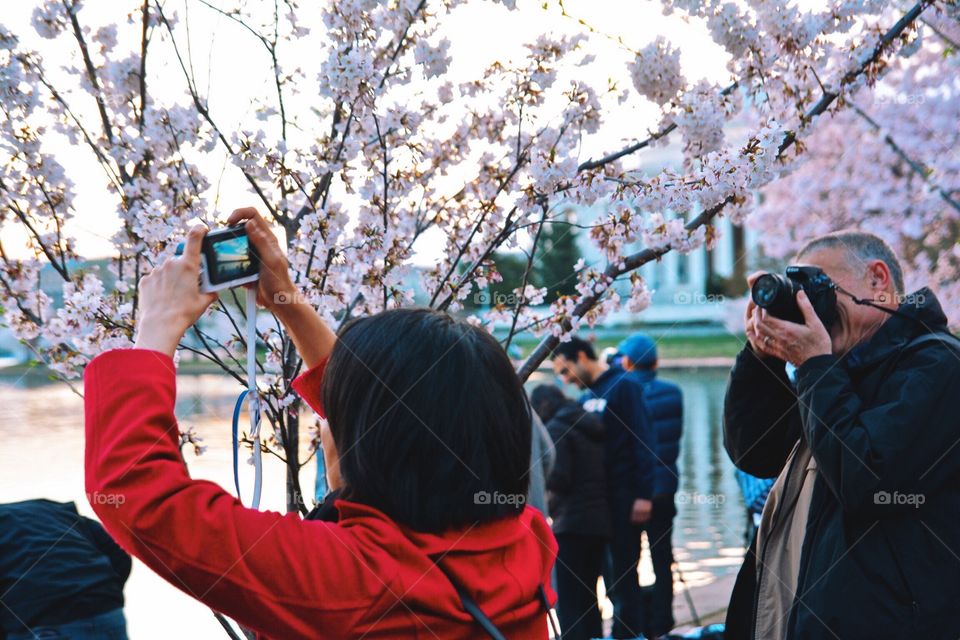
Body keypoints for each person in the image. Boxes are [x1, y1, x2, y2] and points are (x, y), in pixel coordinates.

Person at [83, 208, 557, 639]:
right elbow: (394, 409)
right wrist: (286, 301)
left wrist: (155, 331)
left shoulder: (349, 579)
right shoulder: (526, 539)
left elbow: (142, 498)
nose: (327, 419)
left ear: (377, 447)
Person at [723, 230, 960, 639]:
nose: (813, 306)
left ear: (877, 280)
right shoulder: (836, 372)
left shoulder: (938, 365)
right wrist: (761, 358)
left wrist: (815, 365)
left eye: (820, 289)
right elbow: (754, 453)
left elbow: (865, 478)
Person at [551, 337, 657, 639]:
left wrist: (643, 494)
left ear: (582, 357)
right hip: (596, 506)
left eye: (565, 370)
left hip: (626, 497)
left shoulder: (625, 386)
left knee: (624, 578)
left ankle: (629, 635)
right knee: (599, 580)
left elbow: (644, 439)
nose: (565, 379)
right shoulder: (585, 398)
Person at [530, 384, 610, 640]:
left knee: (568, 600)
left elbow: (559, 478)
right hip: (599, 522)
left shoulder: (556, 428)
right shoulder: (590, 424)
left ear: (543, 405)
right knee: (589, 596)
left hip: (571, 523)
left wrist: (544, 507)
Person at [618, 333, 683, 638]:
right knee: (662, 559)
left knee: (626, 562)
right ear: (656, 362)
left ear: (627, 362)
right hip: (664, 490)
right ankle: (662, 624)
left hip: (632, 495)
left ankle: (631, 626)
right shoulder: (673, 393)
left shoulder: (621, 394)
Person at [0, 499, 131, 640]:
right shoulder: (50, 509)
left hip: (43, 624)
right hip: (106, 612)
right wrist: (101, 592)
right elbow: (117, 549)